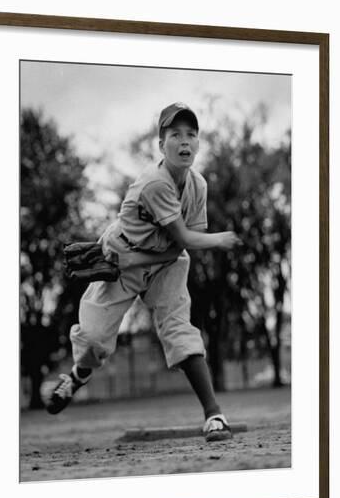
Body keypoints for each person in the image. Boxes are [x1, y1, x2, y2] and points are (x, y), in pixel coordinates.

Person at [46, 102, 242, 442]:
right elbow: (185, 237)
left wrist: (186, 247)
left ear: (198, 143)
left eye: (191, 134)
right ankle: (79, 374)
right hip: (119, 258)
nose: (184, 141)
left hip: (164, 263)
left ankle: (214, 414)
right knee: (93, 340)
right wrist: (218, 240)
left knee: (180, 330)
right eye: (175, 134)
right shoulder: (154, 183)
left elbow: (182, 245)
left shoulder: (198, 186)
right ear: (161, 145)